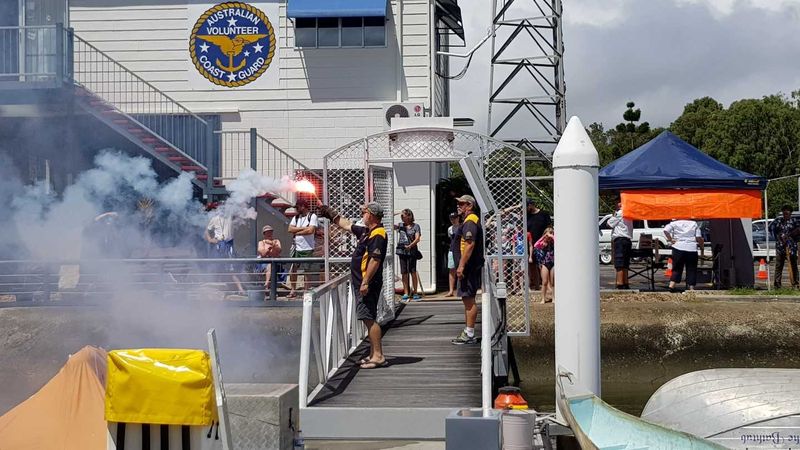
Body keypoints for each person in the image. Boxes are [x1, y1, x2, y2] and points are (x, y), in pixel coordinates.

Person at [318, 202, 389, 369]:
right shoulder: (367, 231)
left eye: (364, 212)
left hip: (367, 283)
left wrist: (365, 282)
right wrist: (329, 211)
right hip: (362, 282)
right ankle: (373, 354)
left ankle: (378, 356)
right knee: (367, 316)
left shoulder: (378, 234)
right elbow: (347, 225)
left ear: (371, 214)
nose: (362, 215)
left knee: (368, 318)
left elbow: (375, 260)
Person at [452, 194, 484, 345]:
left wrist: (461, 265)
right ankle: (468, 331)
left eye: (462, 203)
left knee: (469, 299)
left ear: (470, 206)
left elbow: (470, 244)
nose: (459, 206)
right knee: (466, 298)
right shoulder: (468, 220)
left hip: (468, 268)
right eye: (459, 203)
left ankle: (470, 333)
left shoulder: (470, 221)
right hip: (467, 267)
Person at [204, 202, 245, 295]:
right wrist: (210, 239)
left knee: (231, 268)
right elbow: (207, 231)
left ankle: (240, 289)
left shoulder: (229, 217)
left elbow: (238, 211)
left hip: (228, 246)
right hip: (219, 246)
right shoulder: (214, 219)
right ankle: (213, 289)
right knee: (217, 266)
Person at [287, 199, 319, 298]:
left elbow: (311, 230)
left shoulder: (312, 216)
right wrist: (304, 229)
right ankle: (293, 290)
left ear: (303, 207)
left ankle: (306, 291)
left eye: (297, 207)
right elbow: (290, 229)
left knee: (307, 270)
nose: (296, 210)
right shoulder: (296, 218)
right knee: (293, 268)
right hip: (296, 247)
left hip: (307, 247)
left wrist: (297, 232)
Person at [664, 219, 704, 292]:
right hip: (691, 248)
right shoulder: (694, 223)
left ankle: (672, 285)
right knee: (691, 268)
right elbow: (698, 237)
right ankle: (691, 288)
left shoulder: (674, 223)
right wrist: (701, 246)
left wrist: (670, 239)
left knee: (677, 267)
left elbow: (666, 230)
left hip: (678, 246)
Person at [769, 205, 800, 289]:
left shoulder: (794, 221)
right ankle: (777, 284)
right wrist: (778, 237)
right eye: (784, 213)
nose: (786, 215)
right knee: (779, 265)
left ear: (790, 213)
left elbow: (798, 230)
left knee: (793, 265)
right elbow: (770, 228)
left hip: (791, 247)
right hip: (780, 247)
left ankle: (796, 283)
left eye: (787, 213)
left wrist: (789, 235)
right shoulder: (778, 221)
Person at [395, 209, 422, 301]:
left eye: (404, 216)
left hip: (411, 251)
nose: (402, 218)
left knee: (413, 271)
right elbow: (389, 223)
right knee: (404, 272)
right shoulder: (400, 225)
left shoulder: (415, 226)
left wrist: (410, 245)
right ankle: (406, 292)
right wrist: (395, 213)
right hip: (401, 251)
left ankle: (415, 292)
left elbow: (417, 238)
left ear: (409, 216)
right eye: (401, 216)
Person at [608, 201, 633, 289]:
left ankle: (620, 283)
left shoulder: (619, 213)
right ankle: (625, 282)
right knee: (625, 263)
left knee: (619, 262)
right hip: (627, 239)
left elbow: (609, 224)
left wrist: (614, 213)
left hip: (620, 239)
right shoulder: (629, 212)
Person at [526, 199, 550, 290]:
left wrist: (545, 240)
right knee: (532, 264)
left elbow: (549, 227)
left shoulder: (543, 214)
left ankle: (547, 285)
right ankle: (536, 285)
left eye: (527, 206)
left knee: (542, 264)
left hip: (542, 243)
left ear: (531, 205)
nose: (526, 209)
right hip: (530, 244)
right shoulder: (527, 216)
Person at [257, 225, 282, 289]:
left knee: (271, 264)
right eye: (267, 232)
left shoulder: (277, 241)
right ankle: (267, 283)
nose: (269, 233)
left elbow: (278, 251)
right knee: (269, 265)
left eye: (270, 232)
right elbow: (263, 254)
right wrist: (270, 248)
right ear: (264, 234)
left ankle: (267, 284)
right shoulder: (261, 242)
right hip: (263, 264)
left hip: (275, 263)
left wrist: (272, 244)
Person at [534, 227, 555, 303]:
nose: (548, 236)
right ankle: (543, 298)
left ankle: (553, 297)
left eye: (551, 233)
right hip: (545, 263)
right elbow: (535, 245)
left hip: (553, 263)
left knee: (553, 282)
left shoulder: (554, 242)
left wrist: (551, 236)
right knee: (544, 282)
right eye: (548, 234)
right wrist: (543, 237)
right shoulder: (543, 243)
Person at [446, 211, 461, 297]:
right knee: (451, 270)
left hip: (460, 251)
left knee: (460, 269)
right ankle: (451, 290)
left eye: (454, 218)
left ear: (458, 218)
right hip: (452, 250)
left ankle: (460, 289)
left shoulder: (462, 226)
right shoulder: (450, 229)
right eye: (451, 219)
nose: (453, 220)